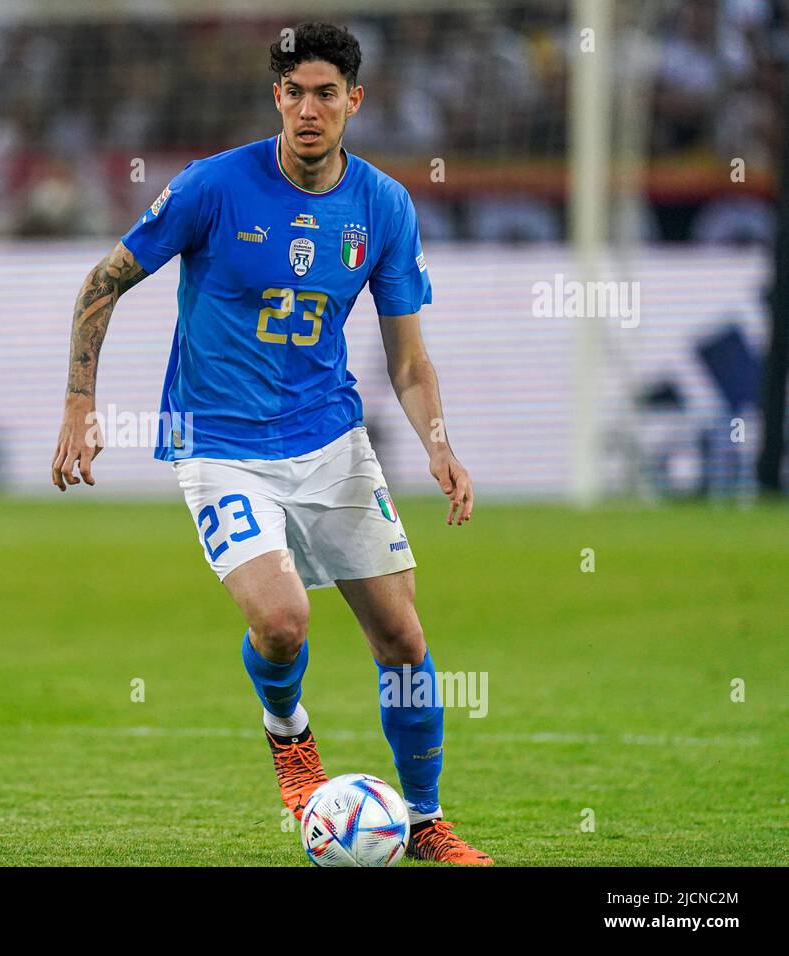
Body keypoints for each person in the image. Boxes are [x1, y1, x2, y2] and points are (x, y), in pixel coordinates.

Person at [51, 21, 491, 865]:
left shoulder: (384, 207)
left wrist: (438, 443)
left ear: (354, 101)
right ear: (276, 99)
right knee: (284, 622)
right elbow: (103, 283)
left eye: (326, 93)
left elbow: (407, 356)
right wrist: (80, 401)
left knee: (402, 638)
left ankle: (426, 820)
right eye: (293, 93)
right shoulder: (213, 187)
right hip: (217, 443)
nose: (307, 109)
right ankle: (290, 735)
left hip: (330, 439)